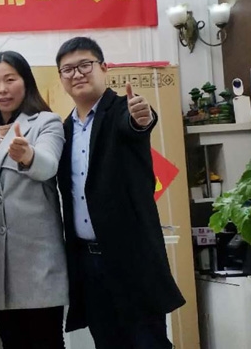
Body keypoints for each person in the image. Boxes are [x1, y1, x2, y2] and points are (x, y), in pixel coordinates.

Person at [55, 37, 185, 349]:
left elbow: (136, 123)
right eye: (68, 69)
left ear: (104, 68)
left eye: (85, 65)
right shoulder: (65, 130)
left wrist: (142, 118)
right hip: (88, 263)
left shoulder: (120, 111)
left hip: (131, 259)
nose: (77, 74)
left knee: (148, 342)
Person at [0, 50, 68, 349]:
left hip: (37, 259)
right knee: (12, 342)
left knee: (47, 341)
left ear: (26, 81)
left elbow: (49, 165)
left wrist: (28, 155)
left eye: (10, 80)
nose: (2, 89)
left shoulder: (46, 122)